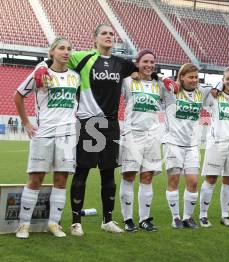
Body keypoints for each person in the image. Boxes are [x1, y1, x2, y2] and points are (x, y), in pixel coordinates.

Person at [34, 24, 138, 236]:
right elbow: (53, 59)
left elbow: (144, 69)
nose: (109, 36)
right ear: (95, 38)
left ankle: (107, 220)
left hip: (110, 125)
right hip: (89, 123)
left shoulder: (121, 64)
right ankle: (75, 222)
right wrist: (42, 68)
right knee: (82, 172)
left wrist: (157, 76)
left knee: (108, 174)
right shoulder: (81, 57)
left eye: (111, 34)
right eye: (104, 33)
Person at [14, 37, 80, 238]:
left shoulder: (75, 77)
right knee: (36, 178)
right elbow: (18, 96)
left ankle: (54, 224)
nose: (66, 52)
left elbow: (76, 101)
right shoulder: (40, 73)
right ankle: (23, 225)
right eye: (61, 48)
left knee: (61, 179)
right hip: (44, 133)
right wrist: (26, 123)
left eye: (69, 48)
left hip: (68, 135)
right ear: (51, 52)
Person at [119, 48, 165, 232]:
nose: (149, 65)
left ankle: (145, 219)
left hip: (152, 136)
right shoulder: (127, 81)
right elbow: (117, 67)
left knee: (147, 177)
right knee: (129, 176)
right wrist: (130, 70)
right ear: (137, 63)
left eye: (152, 62)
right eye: (145, 61)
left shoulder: (158, 84)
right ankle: (128, 219)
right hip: (132, 134)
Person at [163, 63, 214, 229]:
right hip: (173, 143)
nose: (194, 80)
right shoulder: (172, 91)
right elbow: (153, 77)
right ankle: (175, 217)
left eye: (196, 77)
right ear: (182, 77)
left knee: (193, 182)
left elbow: (222, 85)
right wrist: (165, 78)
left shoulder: (202, 91)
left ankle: (187, 217)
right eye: (190, 77)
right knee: (174, 180)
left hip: (192, 145)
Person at [198, 67, 229, 228]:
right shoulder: (214, 96)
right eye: (228, 79)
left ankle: (225, 215)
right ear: (223, 80)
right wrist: (218, 85)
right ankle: (203, 215)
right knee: (210, 180)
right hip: (217, 144)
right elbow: (201, 88)